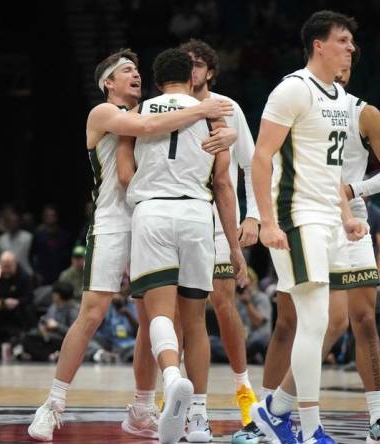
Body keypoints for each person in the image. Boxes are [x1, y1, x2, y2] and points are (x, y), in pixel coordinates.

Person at [28, 47, 235, 442]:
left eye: (138, 70)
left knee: (151, 320)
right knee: (92, 312)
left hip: (149, 218)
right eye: (126, 71)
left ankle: (142, 408)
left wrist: (229, 131)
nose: (135, 75)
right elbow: (143, 131)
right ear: (108, 82)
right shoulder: (104, 114)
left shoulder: (150, 111)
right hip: (112, 221)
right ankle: (52, 404)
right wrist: (204, 110)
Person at [251, 58, 380, 444]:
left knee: (361, 320)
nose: (345, 60)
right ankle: (273, 414)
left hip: (347, 219)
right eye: (341, 45)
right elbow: (265, 160)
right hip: (308, 216)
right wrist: (260, 217)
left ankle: (377, 419)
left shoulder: (362, 111)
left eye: (352, 52)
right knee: (301, 322)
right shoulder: (300, 97)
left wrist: (355, 191)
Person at [117, 47, 245, 444]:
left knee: (158, 313)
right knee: (194, 321)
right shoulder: (214, 118)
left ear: (156, 83)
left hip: (152, 212)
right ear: (193, 79)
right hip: (196, 216)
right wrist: (236, 247)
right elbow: (224, 185)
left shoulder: (136, 115)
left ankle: (171, 377)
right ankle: (200, 419)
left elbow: (124, 177)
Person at [249, 10, 364, 444]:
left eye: (352, 42)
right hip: (297, 218)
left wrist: (347, 215)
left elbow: (330, 168)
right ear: (319, 44)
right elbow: (261, 158)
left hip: (328, 219)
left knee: (333, 321)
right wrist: (266, 222)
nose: (351, 48)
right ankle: (310, 427)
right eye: (343, 40)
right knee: (313, 322)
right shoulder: (292, 90)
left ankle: (276, 409)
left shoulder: (338, 96)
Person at [179, 38, 261, 431]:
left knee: (224, 302)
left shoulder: (229, 108)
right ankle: (175, 394)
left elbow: (254, 163)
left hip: (218, 218)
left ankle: (244, 388)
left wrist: (255, 217)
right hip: (178, 217)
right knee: (180, 311)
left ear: (210, 71)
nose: (190, 70)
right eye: (185, 64)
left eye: (197, 64)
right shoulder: (167, 109)